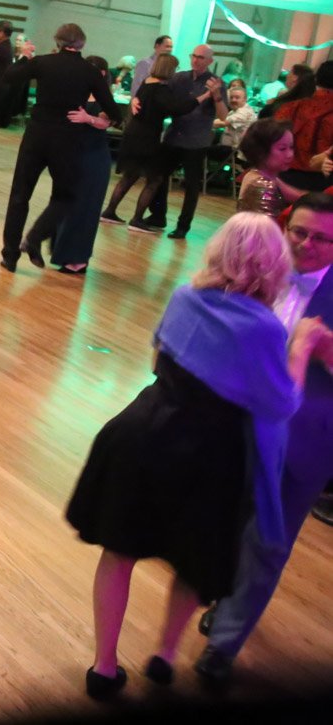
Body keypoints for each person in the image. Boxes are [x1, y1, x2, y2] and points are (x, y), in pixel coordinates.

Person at [65, 214, 326, 699]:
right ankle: (164, 655)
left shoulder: (186, 296)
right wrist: (302, 349)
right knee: (193, 563)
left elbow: (158, 358)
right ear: (274, 265)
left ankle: (104, 666)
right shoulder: (266, 327)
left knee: (119, 552)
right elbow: (280, 404)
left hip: (143, 431)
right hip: (212, 455)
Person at [197, 193, 333, 688]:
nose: (306, 244)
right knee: (226, 518)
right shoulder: (258, 267)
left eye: (322, 238)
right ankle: (222, 591)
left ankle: (223, 645)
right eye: (299, 232)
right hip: (234, 422)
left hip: (305, 439)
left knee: (269, 541)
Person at [0, 24, 122, 272]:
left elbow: (9, 76)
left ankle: (10, 256)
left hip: (36, 136)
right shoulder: (90, 71)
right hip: (67, 140)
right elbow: (115, 113)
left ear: (57, 41)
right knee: (65, 196)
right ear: (82, 43)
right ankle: (35, 237)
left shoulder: (43, 62)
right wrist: (91, 117)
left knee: (20, 195)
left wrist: (24, 56)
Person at [100, 53, 204, 229]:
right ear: (168, 69)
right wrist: (202, 97)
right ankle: (137, 219)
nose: (176, 71)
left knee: (129, 176)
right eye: (175, 68)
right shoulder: (160, 90)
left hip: (133, 133)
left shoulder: (146, 83)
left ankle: (109, 211)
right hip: (146, 137)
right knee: (154, 179)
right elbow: (178, 108)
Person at [150, 45, 228, 239]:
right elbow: (162, 96)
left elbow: (224, 116)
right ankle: (158, 215)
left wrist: (217, 96)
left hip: (196, 141)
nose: (196, 60)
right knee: (158, 177)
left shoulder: (216, 83)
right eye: (194, 56)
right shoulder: (179, 78)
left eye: (201, 58)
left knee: (191, 186)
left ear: (210, 61)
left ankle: (183, 226)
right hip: (174, 136)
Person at [275, 60, 333, 193]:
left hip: (284, 177)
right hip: (325, 184)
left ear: (316, 79)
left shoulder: (290, 107)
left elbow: (272, 138)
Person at [235, 119, 305, 220]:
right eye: (282, 149)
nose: (290, 154)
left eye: (291, 147)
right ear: (260, 152)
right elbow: (265, 225)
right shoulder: (263, 185)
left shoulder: (263, 175)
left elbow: (299, 196)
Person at [217, 78, 256, 152]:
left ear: (245, 99)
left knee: (201, 149)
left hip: (235, 151)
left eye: (237, 97)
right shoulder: (235, 110)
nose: (233, 100)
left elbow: (222, 123)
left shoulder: (244, 112)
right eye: (231, 97)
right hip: (228, 146)